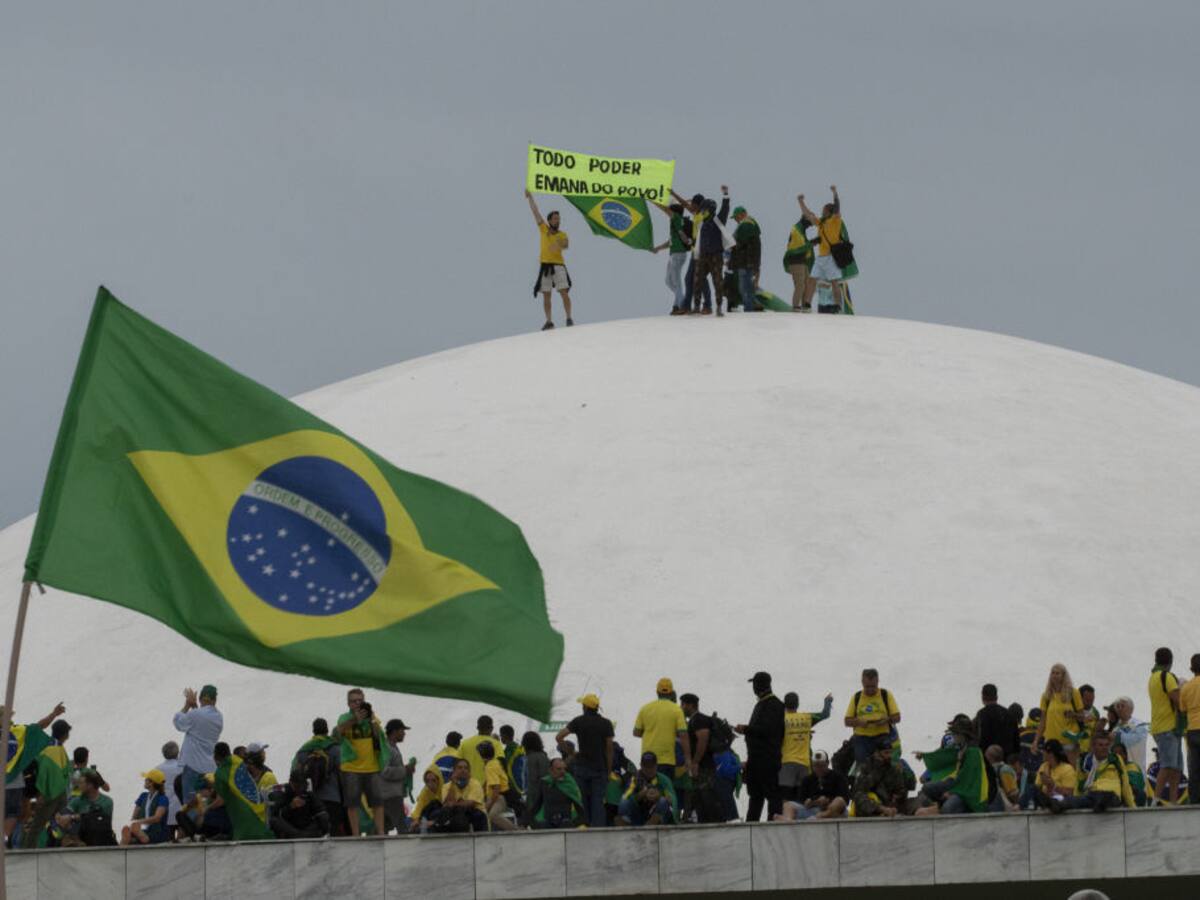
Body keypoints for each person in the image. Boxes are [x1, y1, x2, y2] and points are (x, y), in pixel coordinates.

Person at [3, 700, 66, 844]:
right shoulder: (17, 731)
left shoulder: (16, 731)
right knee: (13, 814)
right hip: (13, 783)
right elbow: (38, 727)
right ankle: (4, 841)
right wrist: (54, 714)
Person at [336, 688, 389, 836]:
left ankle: (380, 832)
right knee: (352, 803)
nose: (357, 704)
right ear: (348, 704)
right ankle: (355, 834)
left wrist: (371, 719)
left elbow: (379, 737)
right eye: (354, 701)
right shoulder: (344, 718)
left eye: (360, 700)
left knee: (378, 802)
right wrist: (355, 720)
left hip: (371, 767)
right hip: (351, 767)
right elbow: (337, 732)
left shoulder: (372, 718)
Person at [557, 693, 613, 828]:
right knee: (598, 803)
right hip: (600, 769)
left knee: (582, 802)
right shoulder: (606, 723)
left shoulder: (578, 721)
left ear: (585, 707)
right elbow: (609, 749)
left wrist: (571, 753)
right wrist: (608, 769)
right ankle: (599, 831)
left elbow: (559, 737)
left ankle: (584, 829)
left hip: (581, 767)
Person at [673, 186, 731, 316]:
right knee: (696, 279)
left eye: (704, 210)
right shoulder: (701, 221)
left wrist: (725, 195)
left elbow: (725, 209)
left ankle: (714, 306)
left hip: (714, 255)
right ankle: (696, 306)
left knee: (714, 280)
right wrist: (689, 242)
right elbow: (698, 238)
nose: (703, 212)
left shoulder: (713, 219)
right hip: (701, 253)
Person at [736, 671, 786, 821]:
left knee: (772, 796)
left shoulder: (774, 704)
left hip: (768, 760)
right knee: (755, 796)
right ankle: (751, 826)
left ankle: (773, 827)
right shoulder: (762, 703)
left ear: (758, 685)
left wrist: (746, 729)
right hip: (756, 760)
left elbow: (768, 730)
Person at [1047, 731, 1134, 813]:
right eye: (1101, 745)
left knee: (1106, 796)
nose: (1104, 748)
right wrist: (1076, 799)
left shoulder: (1115, 759)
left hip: (1112, 795)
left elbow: (1125, 784)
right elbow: (1079, 784)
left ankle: (1101, 804)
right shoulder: (1084, 761)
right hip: (1092, 794)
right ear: (1093, 747)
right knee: (1075, 800)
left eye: (1107, 745)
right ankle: (1054, 804)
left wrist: (1132, 808)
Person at [524, 188, 573, 330]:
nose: (558, 221)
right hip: (545, 266)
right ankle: (549, 321)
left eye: (559, 219)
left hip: (558, 265)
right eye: (556, 218)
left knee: (563, 291)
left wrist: (557, 244)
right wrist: (530, 197)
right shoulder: (544, 229)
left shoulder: (562, 234)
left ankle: (569, 317)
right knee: (546, 295)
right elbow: (536, 212)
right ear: (550, 220)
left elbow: (566, 244)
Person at [798, 186, 848, 312]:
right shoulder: (821, 223)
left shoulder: (835, 220)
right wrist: (801, 202)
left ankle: (838, 305)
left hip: (831, 257)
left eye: (824, 210)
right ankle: (807, 304)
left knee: (834, 282)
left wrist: (835, 193)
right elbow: (808, 215)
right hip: (821, 257)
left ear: (829, 212)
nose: (822, 212)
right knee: (812, 279)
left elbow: (837, 207)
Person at [173, 684, 223, 806]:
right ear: (215, 700)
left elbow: (178, 722)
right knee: (207, 805)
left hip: (192, 766)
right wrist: (195, 707)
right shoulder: (219, 717)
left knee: (191, 806)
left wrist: (187, 705)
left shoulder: (196, 715)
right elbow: (200, 720)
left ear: (200, 698)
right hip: (209, 768)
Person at [293, 718, 344, 836]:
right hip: (332, 797)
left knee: (315, 833)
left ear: (313, 731)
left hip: (311, 798)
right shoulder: (335, 748)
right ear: (327, 730)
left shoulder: (303, 750)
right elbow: (343, 772)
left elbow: (296, 773)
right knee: (334, 832)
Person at [779, 692, 834, 800]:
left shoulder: (780, 719)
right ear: (798, 704)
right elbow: (825, 714)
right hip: (805, 763)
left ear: (784, 704)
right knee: (803, 798)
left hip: (786, 762)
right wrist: (828, 701)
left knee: (785, 799)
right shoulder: (807, 718)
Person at [1148, 647, 1184, 804]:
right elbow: (1178, 700)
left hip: (1161, 726)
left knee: (1176, 767)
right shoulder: (1167, 677)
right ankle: (1155, 800)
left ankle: (1173, 802)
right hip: (1168, 727)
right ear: (1170, 661)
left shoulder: (1153, 677)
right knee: (1168, 765)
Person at [633, 678, 691, 774]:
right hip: (667, 760)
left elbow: (636, 732)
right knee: (665, 787)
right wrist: (688, 758)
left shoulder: (645, 708)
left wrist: (651, 732)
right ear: (671, 692)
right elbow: (683, 735)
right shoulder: (677, 710)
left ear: (657, 692)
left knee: (647, 787)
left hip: (647, 759)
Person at [845, 668, 901, 764]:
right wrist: (858, 722)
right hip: (862, 738)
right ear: (862, 682)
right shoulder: (856, 697)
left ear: (878, 681)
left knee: (887, 763)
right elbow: (847, 721)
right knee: (863, 765)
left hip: (882, 736)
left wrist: (886, 720)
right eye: (867, 687)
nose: (870, 689)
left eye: (873, 686)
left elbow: (897, 717)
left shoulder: (885, 695)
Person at [775, 750, 850, 821]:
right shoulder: (807, 779)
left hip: (832, 810)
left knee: (839, 801)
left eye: (822, 765)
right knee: (788, 805)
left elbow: (845, 799)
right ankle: (788, 820)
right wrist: (813, 802)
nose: (819, 769)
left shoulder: (838, 777)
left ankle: (821, 816)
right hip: (812, 810)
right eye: (816, 766)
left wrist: (828, 800)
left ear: (827, 763)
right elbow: (801, 799)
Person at [651, 202, 694, 314]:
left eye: (671, 211)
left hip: (678, 254)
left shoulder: (677, 218)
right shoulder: (675, 223)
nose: (668, 213)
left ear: (674, 212)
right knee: (669, 281)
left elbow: (665, 209)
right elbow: (671, 241)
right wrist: (658, 248)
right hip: (674, 254)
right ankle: (680, 301)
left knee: (676, 281)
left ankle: (681, 306)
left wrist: (653, 201)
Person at [54, 769, 115, 847]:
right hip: (81, 836)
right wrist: (60, 818)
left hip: (100, 837)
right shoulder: (78, 800)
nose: (78, 786)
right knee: (63, 837)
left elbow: (98, 819)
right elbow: (63, 815)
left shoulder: (107, 802)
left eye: (81, 783)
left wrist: (72, 817)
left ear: (90, 785)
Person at [1032, 663, 1085, 752]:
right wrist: (1036, 741)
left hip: (1069, 740)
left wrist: (1073, 715)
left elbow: (1082, 717)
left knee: (1069, 766)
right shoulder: (1046, 696)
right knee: (1049, 766)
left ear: (1063, 676)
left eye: (1057, 673)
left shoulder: (1073, 693)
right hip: (1050, 740)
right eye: (1053, 673)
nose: (1054, 675)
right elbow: (1042, 721)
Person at [615, 753, 676, 826]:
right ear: (641, 765)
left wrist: (658, 796)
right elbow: (626, 797)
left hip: (658, 814)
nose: (649, 770)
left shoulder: (664, 780)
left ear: (656, 766)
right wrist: (641, 795)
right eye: (646, 767)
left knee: (663, 801)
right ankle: (626, 825)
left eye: (651, 767)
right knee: (624, 802)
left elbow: (673, 799)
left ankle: (649, 826)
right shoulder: (634, 779)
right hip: (639, 815)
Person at [850, 739, 907, 818]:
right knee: (859, 797)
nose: (889, 756)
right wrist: (878, 769)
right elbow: (860, 788)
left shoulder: (893, 768)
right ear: (877, 753)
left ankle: (885, 812)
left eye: (891, 752)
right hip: (870, 805)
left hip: (888, 804)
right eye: (886, 753)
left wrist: (903, 773)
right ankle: (882, 811)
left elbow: (902, 791)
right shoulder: (865, 766)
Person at [268, 770, 330, 838]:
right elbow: (276, 814)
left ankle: (302, 835)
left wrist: (322, 816)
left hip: (306, 828)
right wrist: (291, 806)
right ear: (291, 782)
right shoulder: (283, 793)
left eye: (302, 786)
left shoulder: (307, 794)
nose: (299, 789)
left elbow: (320, 810)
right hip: (290, 827)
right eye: (297, 786)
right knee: (275, 821)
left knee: (323, 817)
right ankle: (300, 835)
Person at [530, 757, 586, 829]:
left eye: (564, 769)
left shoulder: (569, 784)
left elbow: (580, 809)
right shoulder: (545, 783)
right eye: (559, 769)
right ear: (550, 770)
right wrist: (527, 820)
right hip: (548, 821)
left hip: (565, 822)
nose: (562, 772)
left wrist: (574, 822)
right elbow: (537, 805)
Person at [380, 718, 415, 833]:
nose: (404, 733)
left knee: (382, 828)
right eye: (402, 730)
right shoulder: (387, 748)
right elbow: (384, 771)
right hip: (391, 796)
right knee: (402, 828)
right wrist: (405, 770)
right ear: (394, 731)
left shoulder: (390, 747)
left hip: (388, 795)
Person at [435, 759, 489, 833]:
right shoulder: (447, 786)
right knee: (445, 813)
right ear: (454, 771)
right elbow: (447, 804)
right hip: (457, 817)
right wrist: (453, 784)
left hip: (476, 816)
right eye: (460, 768)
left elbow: (470, 803)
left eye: (465, 768)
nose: (463, 770)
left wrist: (454, 804)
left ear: (469, 771)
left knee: (462, 811)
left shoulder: (475, 784)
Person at [783, 200, 817, 311]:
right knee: (800, 285)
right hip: (796, 261)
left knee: (806, 285)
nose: (810, 225)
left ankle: (804, 306)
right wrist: (813, 243)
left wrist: (812, 243)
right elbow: (798, 248)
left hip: (802, 262)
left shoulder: (801, 230)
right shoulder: (796, 230)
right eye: (810, 221)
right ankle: (796, 306)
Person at [120, 770, 170, 845]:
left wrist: (139, 822)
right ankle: (123, 849)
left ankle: (143, 838)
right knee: (126, 829)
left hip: (157, 831)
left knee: (135, 828)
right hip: (142, 828)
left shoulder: (163, 798)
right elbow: (134, 818)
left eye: (146, 779)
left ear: (151, 782)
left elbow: (157, 818)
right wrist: (134, 824)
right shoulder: (143, 796)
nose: (144, 781)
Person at [477, 741, 517, 831]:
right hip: (499, 796)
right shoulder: (495, 762)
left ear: (480, 754)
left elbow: (496, 788)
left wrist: (489, 805)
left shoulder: (490, 767)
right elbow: (487, 782)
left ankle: (516, 830)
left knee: (492, 815)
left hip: (500, 797)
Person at [729, 206, 762, 313]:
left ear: (742, 214)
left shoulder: (746, 225)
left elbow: (739, 243)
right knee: (747, 285)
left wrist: (731, 246)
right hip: (749, 261)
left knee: (744, 287)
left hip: (745, 262)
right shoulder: (751, 223)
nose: (735, 220)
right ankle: (752, 306)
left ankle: (749, 309)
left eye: (736, 217)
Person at [1104, 696, 1149, 772]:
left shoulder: (1139, 725)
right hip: (1119, 769)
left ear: (1131, 709)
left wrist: (1117, 737)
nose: (1120, 709)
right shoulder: (1116, 728)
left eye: (1122, 706)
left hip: (1136, 768)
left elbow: (1134, 740)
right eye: (1118, 706)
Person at [975, 684, 1020, 759]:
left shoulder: (981, 715)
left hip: (988, 760)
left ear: (982, 698)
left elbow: (980, 740)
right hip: (1007, 759)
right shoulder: (1008, 714)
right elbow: (1016, 742)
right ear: (997, 697)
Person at [1030, 739, 1077, 810]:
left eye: (1044, 751)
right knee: (1031, 790)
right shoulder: (1044, 766)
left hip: (1061, 801)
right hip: (1045, 799)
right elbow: (1037, 786)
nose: (1042, 753)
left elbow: (1069, 793)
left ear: (1051, 754)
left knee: (1057, 799)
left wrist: (1053, 786)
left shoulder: (1067, 769)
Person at [1179, 652, 1200, 805]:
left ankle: (1195, 801)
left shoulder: (1186, 688)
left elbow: (1183, 710)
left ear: (1192, 669)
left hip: (1192, 730)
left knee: (1194, 767)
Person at [460, 715, 505, 784]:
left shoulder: (464, 743)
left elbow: (457, 765)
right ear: (492, 728)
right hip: (488, 788)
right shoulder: (496, 745)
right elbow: (501, 767)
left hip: (468, 787)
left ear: (477, 727)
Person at [519, 731, 551, 827]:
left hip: (534, 796)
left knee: (533, 824)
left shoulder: (530, 758)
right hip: (545, 795)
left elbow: (531, 779)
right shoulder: (544, 756)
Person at [409, 766, 445, 833]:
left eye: (433, 780)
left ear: (439, 780)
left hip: (441, 819)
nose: (430, 784)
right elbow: (418, 808)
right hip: (426, 819)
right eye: (427, 781)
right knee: (407, 821)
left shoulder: (445, 790)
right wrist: (416, 820)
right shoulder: (425, 792)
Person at [985, 745, 1020, 810]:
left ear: (990, 757)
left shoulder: (1004, 770)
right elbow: (1013, 793)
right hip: (1002, 806)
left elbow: (1012, 793)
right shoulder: (1004, 769)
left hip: (1000, 806)